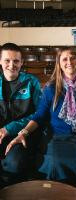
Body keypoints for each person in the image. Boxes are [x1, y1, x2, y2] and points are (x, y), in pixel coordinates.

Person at [5, 46, 76, 193]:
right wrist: (23, 132)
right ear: (59, 64)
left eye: (72, 58)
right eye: (64, 59)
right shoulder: (51, 88)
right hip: (56, 138)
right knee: (55, 161)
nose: (69, 61)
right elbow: (40, 116)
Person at [0, 43, 42, 186]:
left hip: (22, 134)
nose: (12, 65)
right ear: (0, 61)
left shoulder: (31, 82)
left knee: (13, 164)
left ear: (22, 62)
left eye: (16, 61)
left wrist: (9, 128)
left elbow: (40, 113)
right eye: (7, 60)